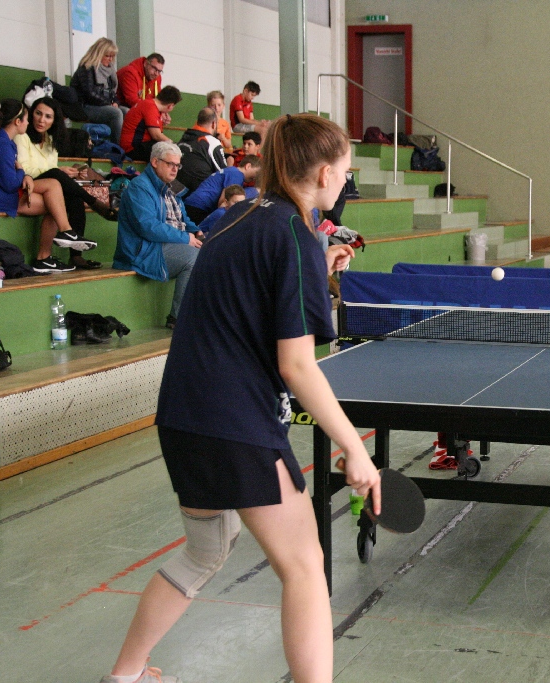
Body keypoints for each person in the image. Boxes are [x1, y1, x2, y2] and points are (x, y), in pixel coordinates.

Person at [99, 114, 379, 683]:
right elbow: (296, 365)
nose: (346, 181)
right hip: (235, 421)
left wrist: (316, 264)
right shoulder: (294, 235)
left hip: (182, 415)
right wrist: (355, 448)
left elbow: (250, 292)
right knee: (305, 565)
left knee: (205, 551)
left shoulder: (238, 216)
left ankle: (125, 675)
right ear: (325, 173)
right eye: (346, 171)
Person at [0, 98, 96, 273]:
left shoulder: (5, 141)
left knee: (54, 189)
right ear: (17, 122)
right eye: (27, 119)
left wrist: (24, 175)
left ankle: (58, 242)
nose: (29, 123)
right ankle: (48, 252)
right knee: (55, 202)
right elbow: (10, 184)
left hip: (2, 191)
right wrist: (22, 172)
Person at [15, 97, 116, 270]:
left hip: (45, 186)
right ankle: (94, 202)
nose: (41, 120)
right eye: (38, 113)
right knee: (58, 176)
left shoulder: (51, 140)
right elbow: (25, 170)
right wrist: (59, 171)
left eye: (48, 116)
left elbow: (51, 170)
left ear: (54, 120)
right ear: (31, 114)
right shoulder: (22, 136)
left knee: (72, 196)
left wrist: (66, 171)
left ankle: (75, 256)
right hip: (24, 183)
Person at [113, 141, 201, 329]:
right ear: (155, 162)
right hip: (144, 250)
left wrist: (196, 231)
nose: (175, 169)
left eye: (178, 165)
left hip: (170, 243)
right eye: (170, 164)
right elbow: (148, 227)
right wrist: (186, 238)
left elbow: (182, 218)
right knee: (195, 258)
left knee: (216, 251)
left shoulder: (172, 186)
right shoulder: (140, 187)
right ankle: (178, 318)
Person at [71, 38, 124, 144]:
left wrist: (115, 102)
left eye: (112, 56)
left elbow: (112, 92)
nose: (110, 59)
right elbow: (89, 93)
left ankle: (127, 145)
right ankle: (118, 146)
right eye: (107, 56)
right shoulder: (87, 67)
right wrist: (109, 103)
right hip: (85, 105)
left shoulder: (110, 70)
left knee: (127, 111)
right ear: (98, 54)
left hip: (102, 104)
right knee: (116, 113)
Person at [182, 155, 260, 224]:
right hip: (199, 207)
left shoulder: (231, 170)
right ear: (248, 166)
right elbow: (224, 201)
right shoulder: (237, 175)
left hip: (194, 203)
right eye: (256, 172)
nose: (255, 177)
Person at [120, 86, 182, 162]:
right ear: (170, 106)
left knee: (167, 150)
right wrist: (175, 145)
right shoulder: (150, 107)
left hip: (136, 146)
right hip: (132, 149)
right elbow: (156, 135)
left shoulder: (149, 104)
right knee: (170, 151)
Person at [176, 107, 226, 192]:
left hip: (177, 190)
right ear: (213, 124)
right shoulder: (212, 142)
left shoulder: (184, 138)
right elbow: (223, 171)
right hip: (200, 192)